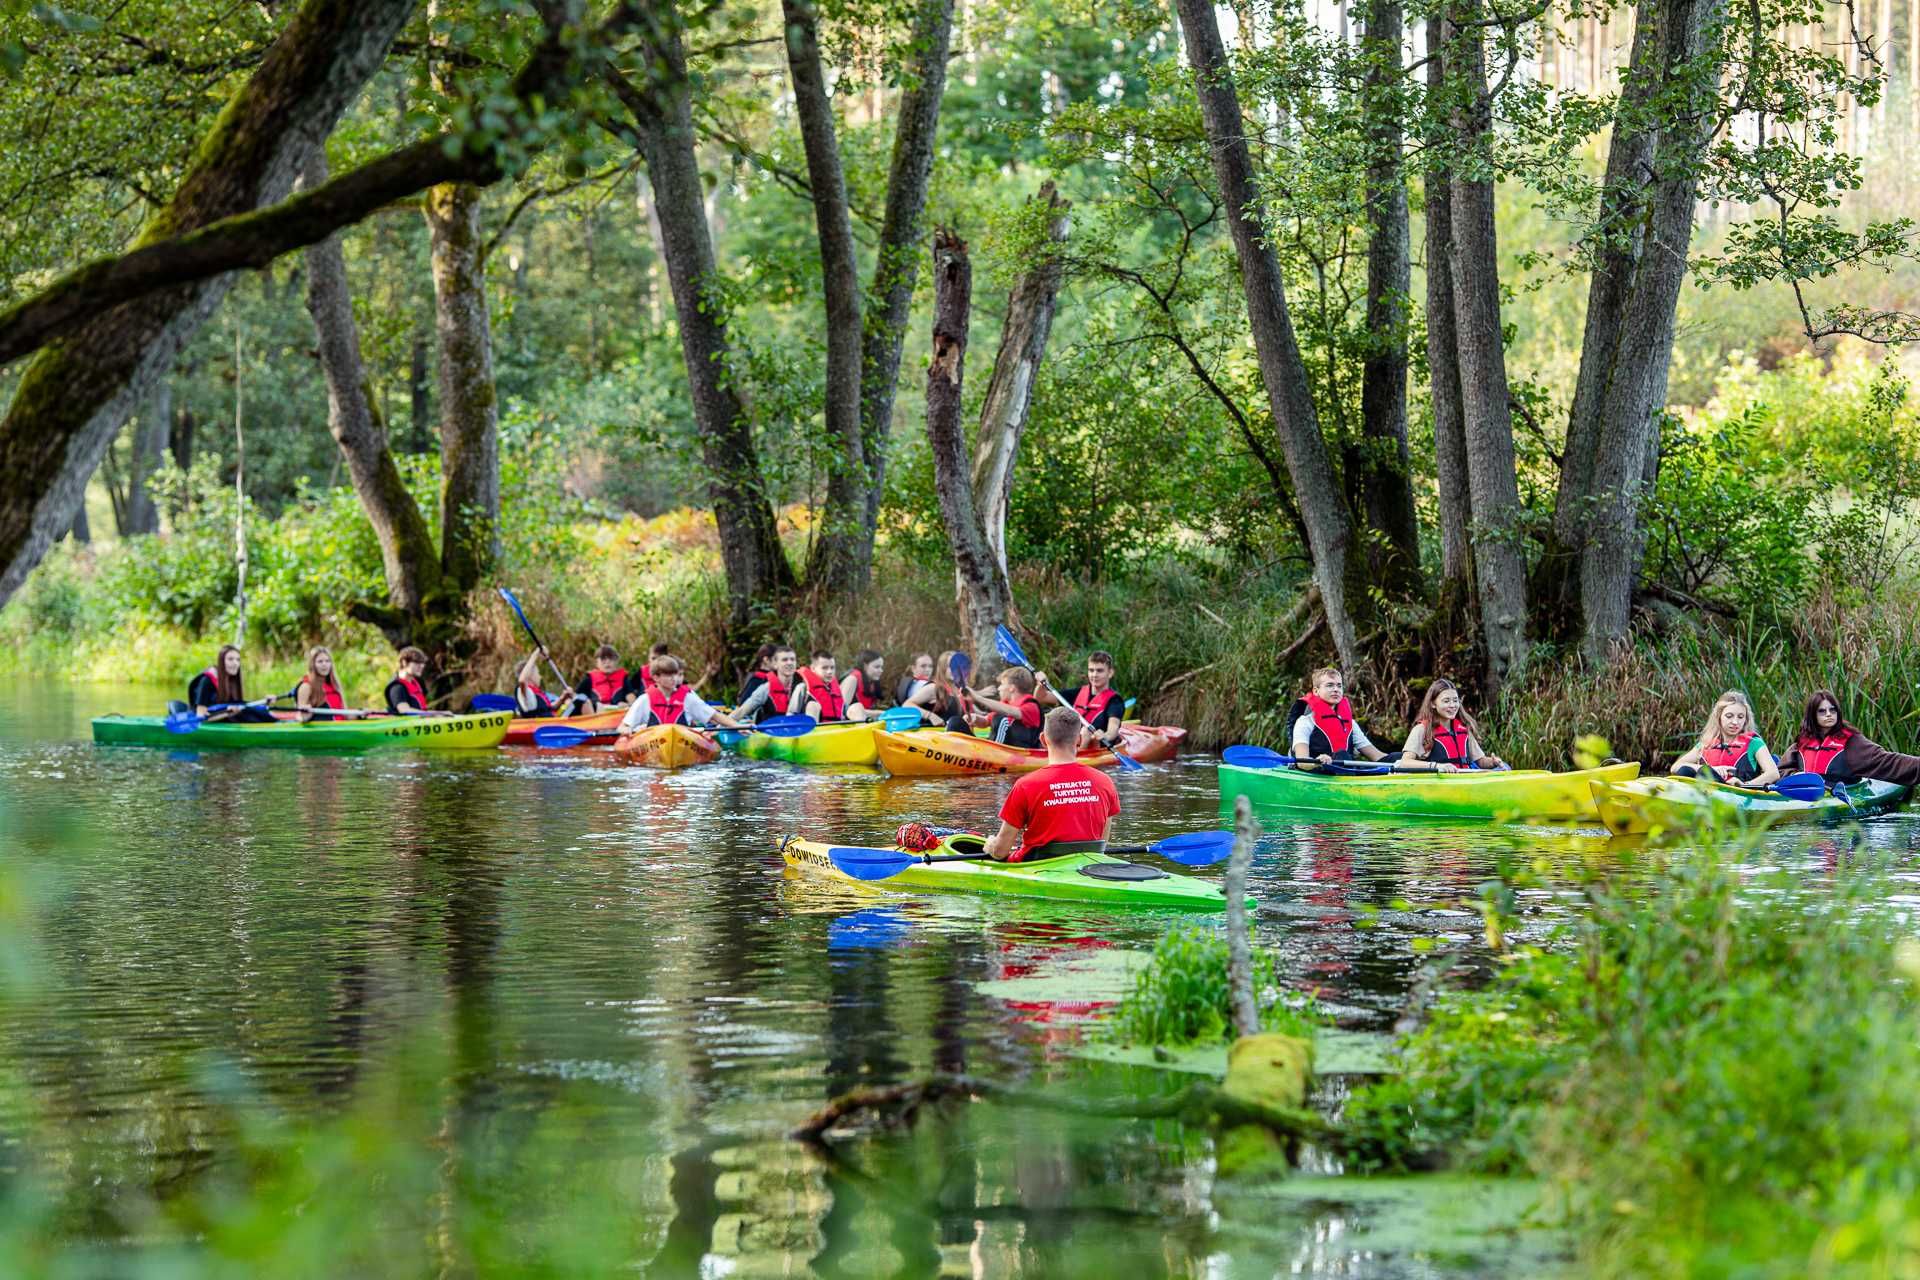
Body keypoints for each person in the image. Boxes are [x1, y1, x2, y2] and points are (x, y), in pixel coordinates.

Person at [984, 707, 1122, 862]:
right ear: (1080, 740)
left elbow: (1001, 851)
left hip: (1035, 865)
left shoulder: (1025, 785)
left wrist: (990, 846)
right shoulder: (1105, 781)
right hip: (1088, 865)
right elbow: (1101, 844)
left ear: (1043, 739)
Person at [1779, 689, 1920, 786]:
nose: (1829, 714)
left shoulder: (1852, 742)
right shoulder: (1802, 743)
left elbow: (1887, 761)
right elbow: (1781, 770)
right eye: (1822, 711)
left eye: (1832, 710)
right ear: (1813, 716)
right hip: (1806, 795)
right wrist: (1794, 775)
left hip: (1843, 792)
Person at [1671, 690, 1780, 787]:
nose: (1735, 722)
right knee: (1685, 770)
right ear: (1719, 717)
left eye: (1740, 717)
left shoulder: (1755, 743)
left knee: (1705, 772)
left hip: (1739, 792)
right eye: (1729, 716)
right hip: (1708, 790)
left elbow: (1773, 773)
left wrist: (1745, 784)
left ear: (1745, 719)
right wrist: (1712, 769)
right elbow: (1675, 767)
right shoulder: (1706, 743)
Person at [1399, 678, 1503, 773]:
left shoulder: (1463, 729)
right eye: (1446, 701)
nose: (1452, 705)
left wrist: (1493, 762)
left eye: (1455, 700)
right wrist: (1436, 766)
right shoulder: (1421, 730)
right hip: (1437, 785)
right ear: (1433, 704)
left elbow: (1480, 761)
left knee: (1505, 766)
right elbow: (1405, 763)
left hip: (1463, 782)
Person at [617, 656, 743, 733]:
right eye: (668, 675)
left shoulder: (688, 698)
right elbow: (623, 726)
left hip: (682, 740)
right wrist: (627, 729)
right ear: (656, 677)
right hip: (652, 742)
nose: (674, 679)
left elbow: (715, 716)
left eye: (675, 674)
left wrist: (738, 726)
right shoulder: (644, 700)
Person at [1289, 667, 1387, 765]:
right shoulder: (1305, 722)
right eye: (1330, 685)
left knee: (1396, 756)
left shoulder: (1350, 723)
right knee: (1342, 755)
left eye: (1339, 686)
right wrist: (1317, 762)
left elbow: (1377, 756)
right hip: (1317, 772)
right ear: (1316, 691)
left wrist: (1400, 759)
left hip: (1345, 771)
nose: (1336, 689)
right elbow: (1302, 762)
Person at [1041, 650, 1126, 746]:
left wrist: (1105, 736)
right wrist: (1041, 685)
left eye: (1100, 671)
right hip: (1073, 745)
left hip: (1095, 746)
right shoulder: (1077, 693)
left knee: (1086, 732)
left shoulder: (1114, 701)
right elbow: (1042, 697)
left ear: (1110, 673)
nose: (1094, 675)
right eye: (1091, 670)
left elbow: (1113, 730)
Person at [187, 644, 275, 722]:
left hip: (226, 714)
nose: (235, 663)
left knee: (261, 712)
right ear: (222, 662)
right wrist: (227, 713)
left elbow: (238, 703)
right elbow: (200, 717)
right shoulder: (206, 680)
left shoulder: (231, 679)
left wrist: (264, 702)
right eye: (230, 659)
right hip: (212, 718)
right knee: (247, 714)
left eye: (238, 660)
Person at [973, 665, 1044, 750]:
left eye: (1002, 684)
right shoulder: (1006, 704)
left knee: (1000, 719)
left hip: (1021, 754)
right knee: (956, 722)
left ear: (1011, 688)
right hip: (1003, 749)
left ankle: (992, 753)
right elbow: (985, 722)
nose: (999, 688)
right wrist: (975, 719)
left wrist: (978, 698)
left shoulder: (1031, 706)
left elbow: (1010, 712)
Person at [905, 650, 973, 730]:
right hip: (936, 738)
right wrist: (930, 716)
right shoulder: (934, 688)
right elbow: (907, 705)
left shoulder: (958, 690)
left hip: (958, 737)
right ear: (942, 668)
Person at [733, 645, 803, 724]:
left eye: (792, 660)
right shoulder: (765, 689)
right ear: (775, 664)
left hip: (797, 733)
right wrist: (722, 724)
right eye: (784, 660)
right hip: (770, 733)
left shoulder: (803, 687)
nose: (789, 663)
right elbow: (742, 711)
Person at [295, 646, 362, 720]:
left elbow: (344, 714)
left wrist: (360, 714)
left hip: (340, 727)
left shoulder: (334, 685)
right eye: (320, 661)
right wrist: (306, 714)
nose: (324, 664)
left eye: (327, 661)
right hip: (322, 728)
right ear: (312, 664)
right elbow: (300, 717)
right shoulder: (306, 687)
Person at [572, 645, 637, 711]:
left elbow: (633, 703)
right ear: (596, 663)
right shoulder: (589, 680)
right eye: (603, 659)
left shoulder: (624, 680)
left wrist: (627, 705)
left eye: (611, 658)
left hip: (617, 715)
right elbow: (576, 698)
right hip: (596, 716)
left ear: (616, 661)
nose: (607, 662)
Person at [796, 651, 849, 723]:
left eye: (832, 668)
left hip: (837, 730)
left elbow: (844, 713)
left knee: (856, 707)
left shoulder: (836, 689)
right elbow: (791, 713)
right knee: (813, 706)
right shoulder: (802, 688)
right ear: (813, 668)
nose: (829, 672)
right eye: (825, 668)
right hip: (814, 730)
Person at [385, 647, 437, 715]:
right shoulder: (396, 687)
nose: (422, 666)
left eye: (423, 663)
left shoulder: (419, 682)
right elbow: (404, 710)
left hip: (421, 721)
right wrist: (434, 714)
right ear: (404, 662)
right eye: (417, 662)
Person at [840, 650, 887, 723]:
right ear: (865, 666)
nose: (881, 670)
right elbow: (841, 709)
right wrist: (880, 713)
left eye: (881, 667)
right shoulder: (852, 679)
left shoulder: (871, 681)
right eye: (877, 667)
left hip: (862, 720)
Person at [514, 648, 560, 717]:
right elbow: (522, 680)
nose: (540, 677)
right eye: (538, 673)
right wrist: (536, 653)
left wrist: (563, 698)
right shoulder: (526, 693)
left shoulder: (537, 694)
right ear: (530, 675)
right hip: (541, 726)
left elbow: (549, 708)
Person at [736, 642, 781, 706]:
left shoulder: (777, 677)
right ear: (766, 659)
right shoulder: (758, 678)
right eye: (776, 659)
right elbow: (743, 702)